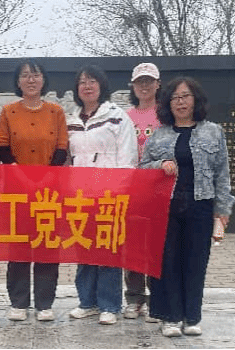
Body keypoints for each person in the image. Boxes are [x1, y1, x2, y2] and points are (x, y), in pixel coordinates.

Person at [139, 76, 235, 338]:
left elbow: (222, 172)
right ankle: (169, 317)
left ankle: (191, 317)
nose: (180, 102)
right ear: (167, 103)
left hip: (200, 205)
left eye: (185, 96)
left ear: (196, 100)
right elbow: (142, 168)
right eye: (175, 98)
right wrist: (160, 165)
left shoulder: (213, 132)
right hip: (166, 207)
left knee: (195, 262)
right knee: (167, 262)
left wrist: (223, 208)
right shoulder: (159, 135)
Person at [0, 59, 69, 323]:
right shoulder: (9, 111)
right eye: (25, 75)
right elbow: (2, 146)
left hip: (50, 190)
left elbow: (62, 147)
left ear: (43, 80)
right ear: (18, 81)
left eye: (35, 75)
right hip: (17, 189)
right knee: (19, 246)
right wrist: (22, 176)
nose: (31, 80)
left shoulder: (56, 111)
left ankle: (44, 303)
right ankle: (18, 302)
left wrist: (46, 178)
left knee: (47, 244)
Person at [65, 64, 138, 326]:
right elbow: (68, 159)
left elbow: (128, 159)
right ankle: (87, 302)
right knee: (84, 248)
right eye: (82, 82)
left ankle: (109, 305)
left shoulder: (117, 117)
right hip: (80, 196)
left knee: (108, 249)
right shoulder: (71, 120)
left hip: (109, 194)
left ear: (101, 85)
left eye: (92, 81)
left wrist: (120, 192)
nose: (87, 86)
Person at [123, 62, 162, 323]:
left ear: (158, 84)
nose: (144, 86)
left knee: (157, 246)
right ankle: (134, 298)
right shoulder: (125, 117)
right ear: (133, 86)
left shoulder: (166, 115)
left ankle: (157, 299)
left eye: (149, 81)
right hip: (132, 189)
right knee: (133, 246)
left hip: (159, 188)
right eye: (140, 82)